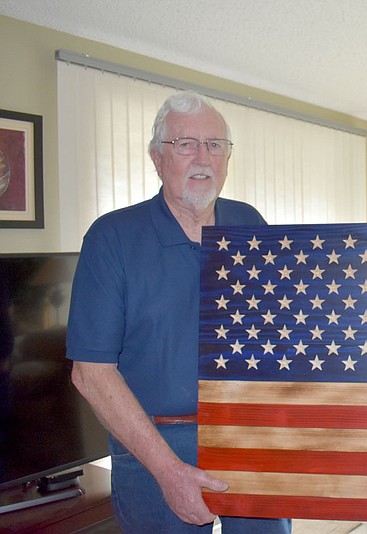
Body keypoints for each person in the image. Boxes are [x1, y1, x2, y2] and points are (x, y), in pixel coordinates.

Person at [66, 91, 291, 533]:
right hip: (155, 447)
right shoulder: (112, 238)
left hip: (248, 437)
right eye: (186, 144)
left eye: (215, 145)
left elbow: (278, 334)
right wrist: (169, 471)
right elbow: (90, 372)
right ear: (157, 157)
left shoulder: (249, 223)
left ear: (228, 157)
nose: (202, 157)